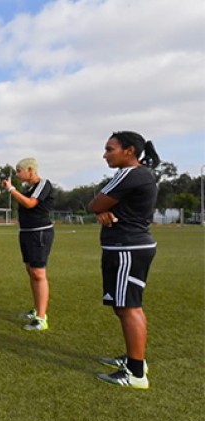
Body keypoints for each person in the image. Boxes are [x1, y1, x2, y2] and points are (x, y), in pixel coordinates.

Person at [89, 131, 160, 389]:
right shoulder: (136, 175)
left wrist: (100, 209)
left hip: (127, 248)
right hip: (125, 247)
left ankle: (136, 373)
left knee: (130, 307)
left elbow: (95, 204)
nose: (105, 155)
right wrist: (102, 210)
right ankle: (134, 359)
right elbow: (100, 207)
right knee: (124, 306)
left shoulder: (130, 174)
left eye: (110, 149)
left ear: (129, 151)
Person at [3, 158, 55, 331]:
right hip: (26, 233)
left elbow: (30, 203)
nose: (17, 174)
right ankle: (37, 310)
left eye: (19, 171)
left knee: (38, 273)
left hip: (39, 233)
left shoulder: (43, 184)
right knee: (31, 272)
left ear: (30, 170)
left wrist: (11, 189)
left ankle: (41, 318)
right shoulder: (28, 188)